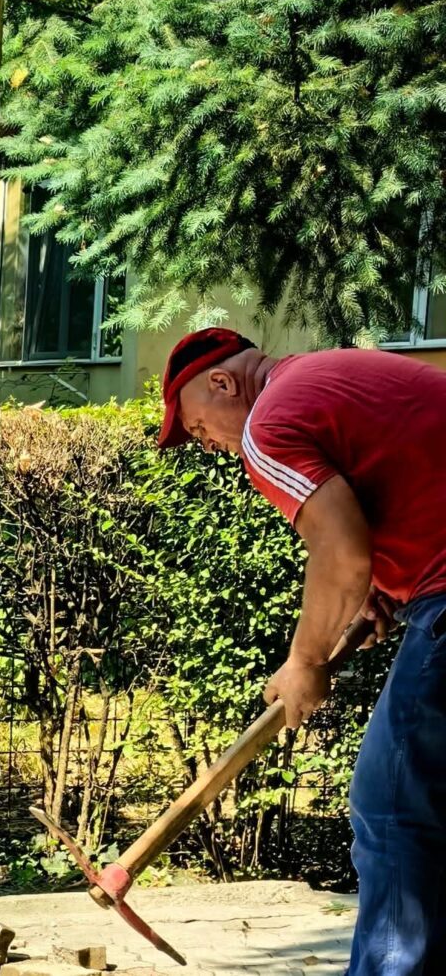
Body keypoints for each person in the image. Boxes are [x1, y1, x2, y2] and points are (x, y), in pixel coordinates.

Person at [157, 327, 446, 976]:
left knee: (394, 809)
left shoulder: (270, 422)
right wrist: (386, 587)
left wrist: (306, 661)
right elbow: (413, 482)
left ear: (223, 383)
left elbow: (340, 554)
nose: (208, 445)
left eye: (198, 427)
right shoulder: (330, 376)